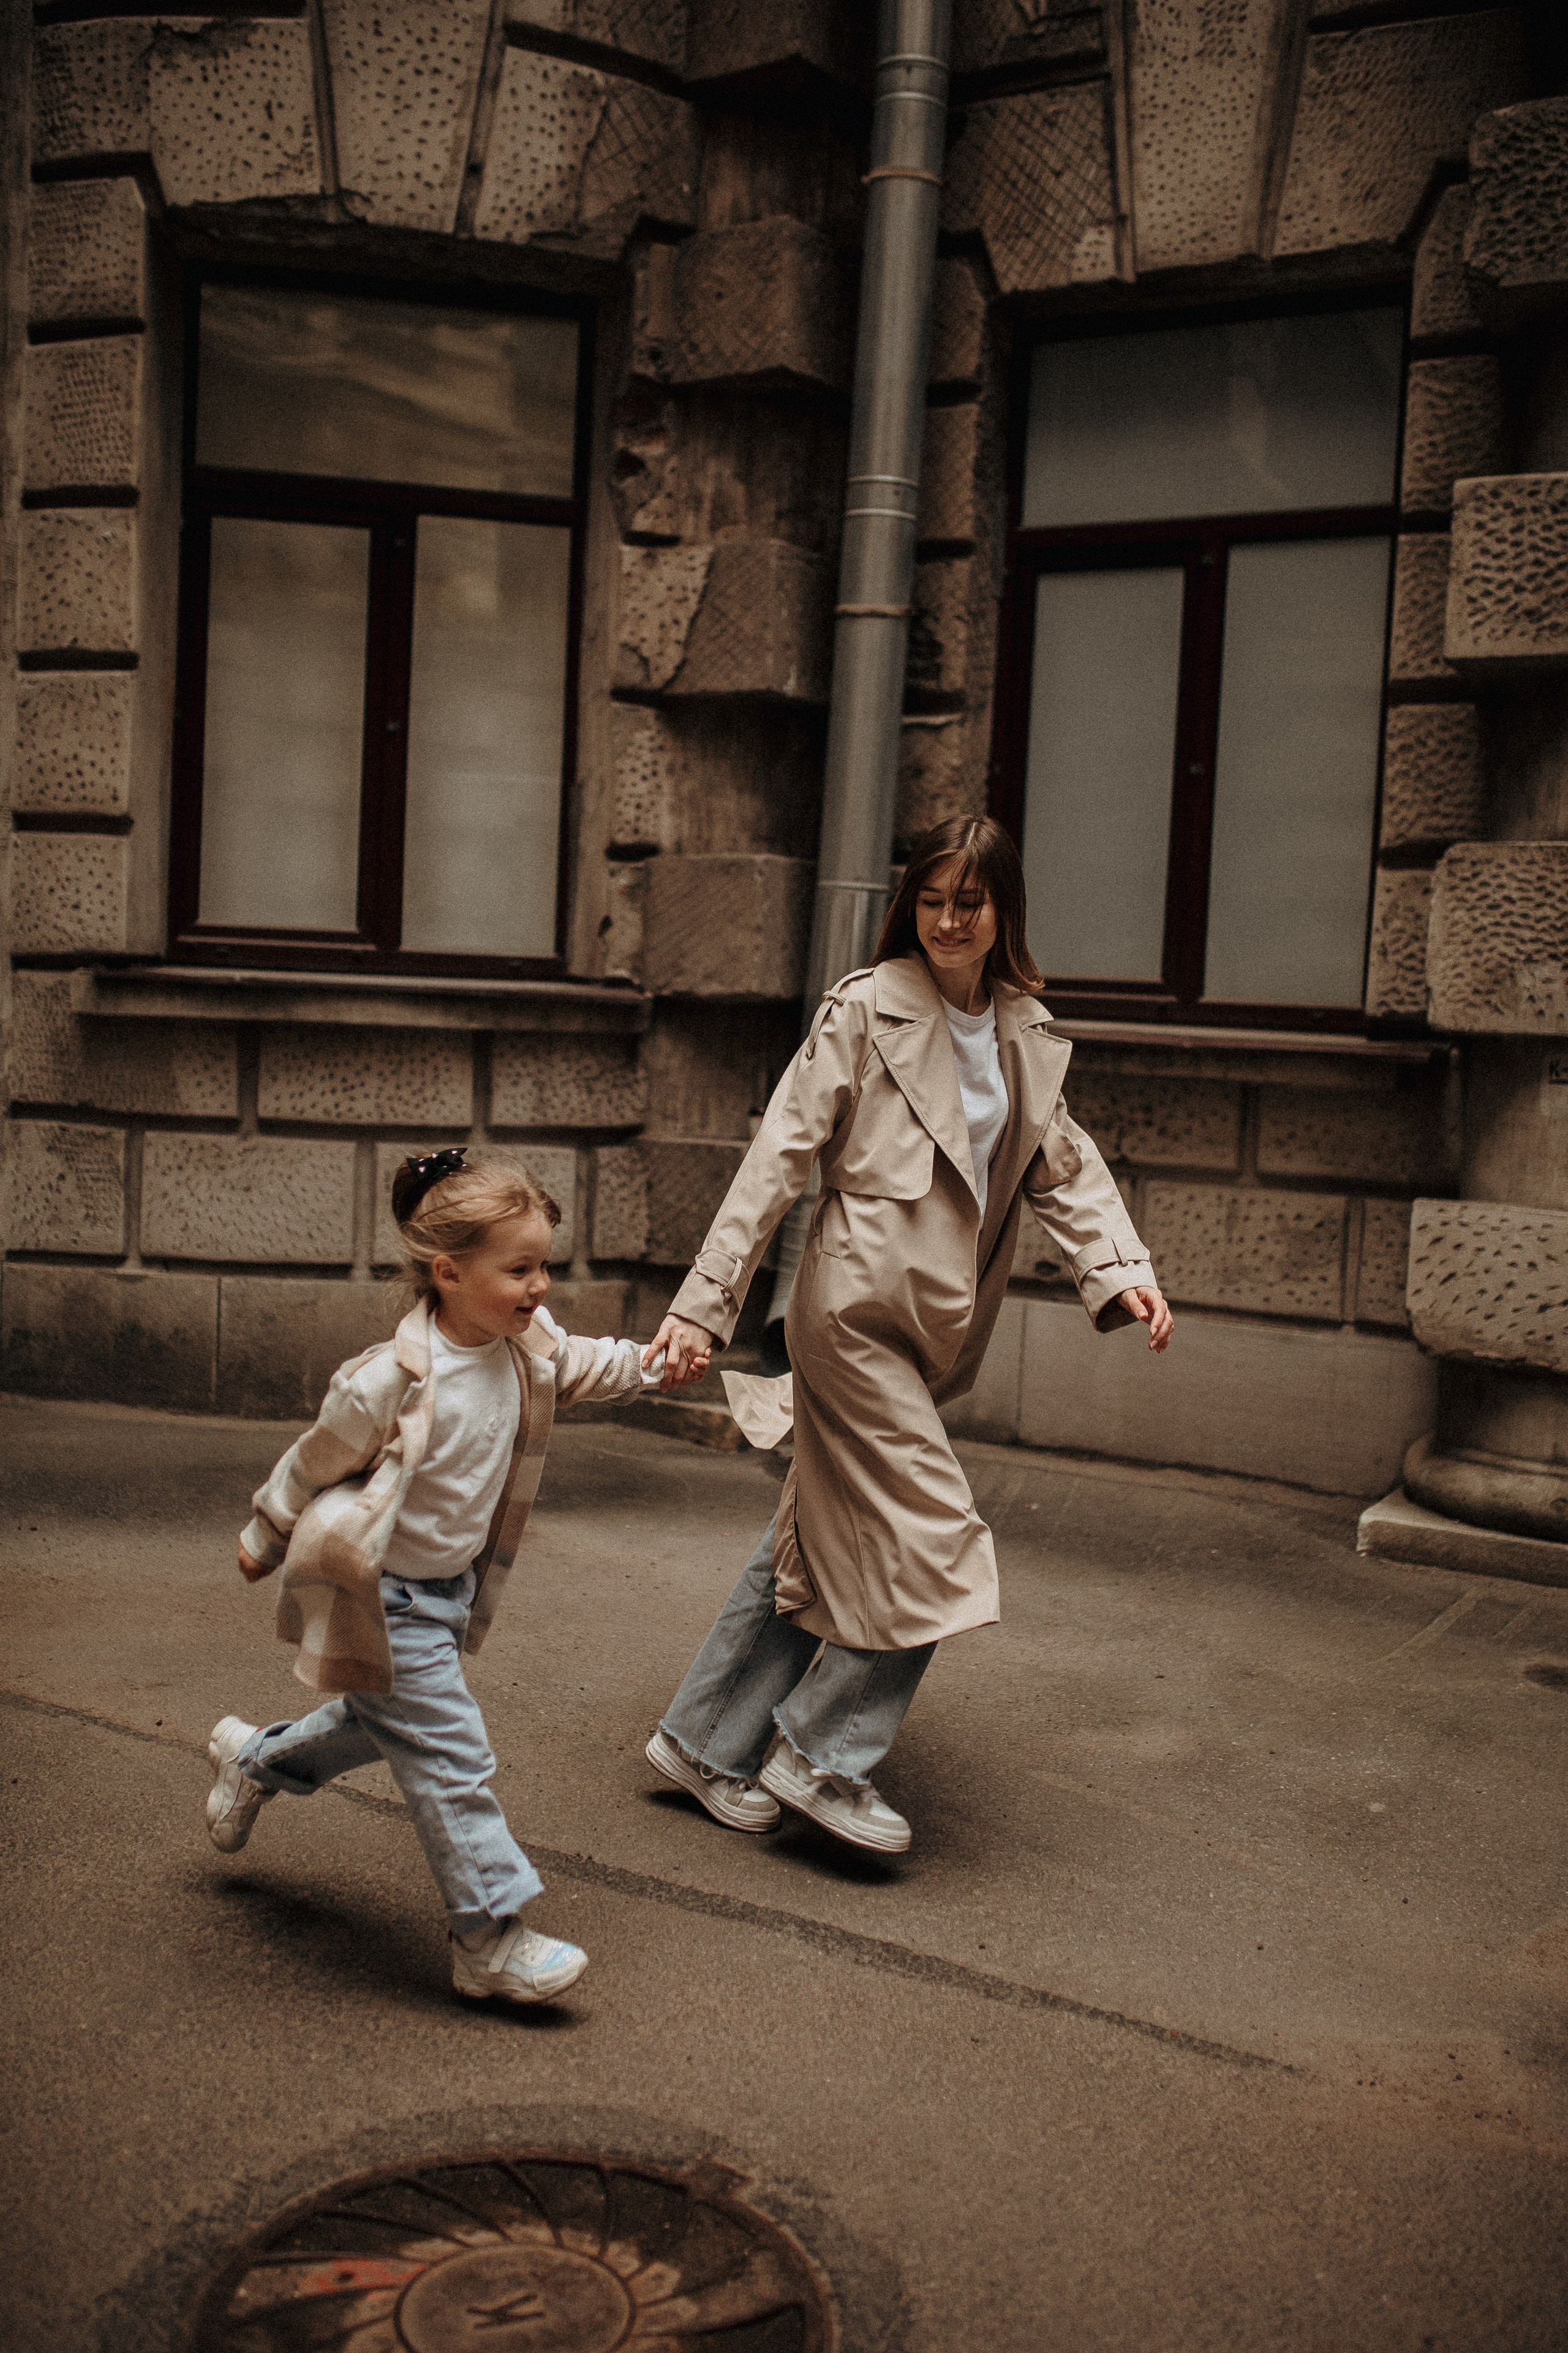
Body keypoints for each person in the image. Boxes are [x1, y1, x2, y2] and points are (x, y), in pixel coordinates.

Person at [640, 814, 1174, 1856]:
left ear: (1000, 908)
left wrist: (1127, 1276)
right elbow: (776, 1160)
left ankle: (703, 1740)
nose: (945, 921)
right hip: (850, 1319)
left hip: (932, 1334)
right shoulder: (867, 1008)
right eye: (929, 901)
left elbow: (1060, 1169)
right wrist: (704, 1304)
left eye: (967, 902)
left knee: (813, 1532)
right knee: (936, 1540)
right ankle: (821, 1753)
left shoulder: (1023, 1030)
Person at [204, 1149, 676, 2007]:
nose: (540, 1286)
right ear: (449, 1272)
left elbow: (593, 1364)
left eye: (544, 1266)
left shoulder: (526, 1348)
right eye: (520, 1268)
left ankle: (255, 1759)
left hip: (447, 1593)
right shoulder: (393, 1377)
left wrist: (655, 1362)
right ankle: (487, 1938)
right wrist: (264, 1529)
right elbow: (314, 1461)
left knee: (374, 1726)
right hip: (380, 1596)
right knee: (450, 1755)